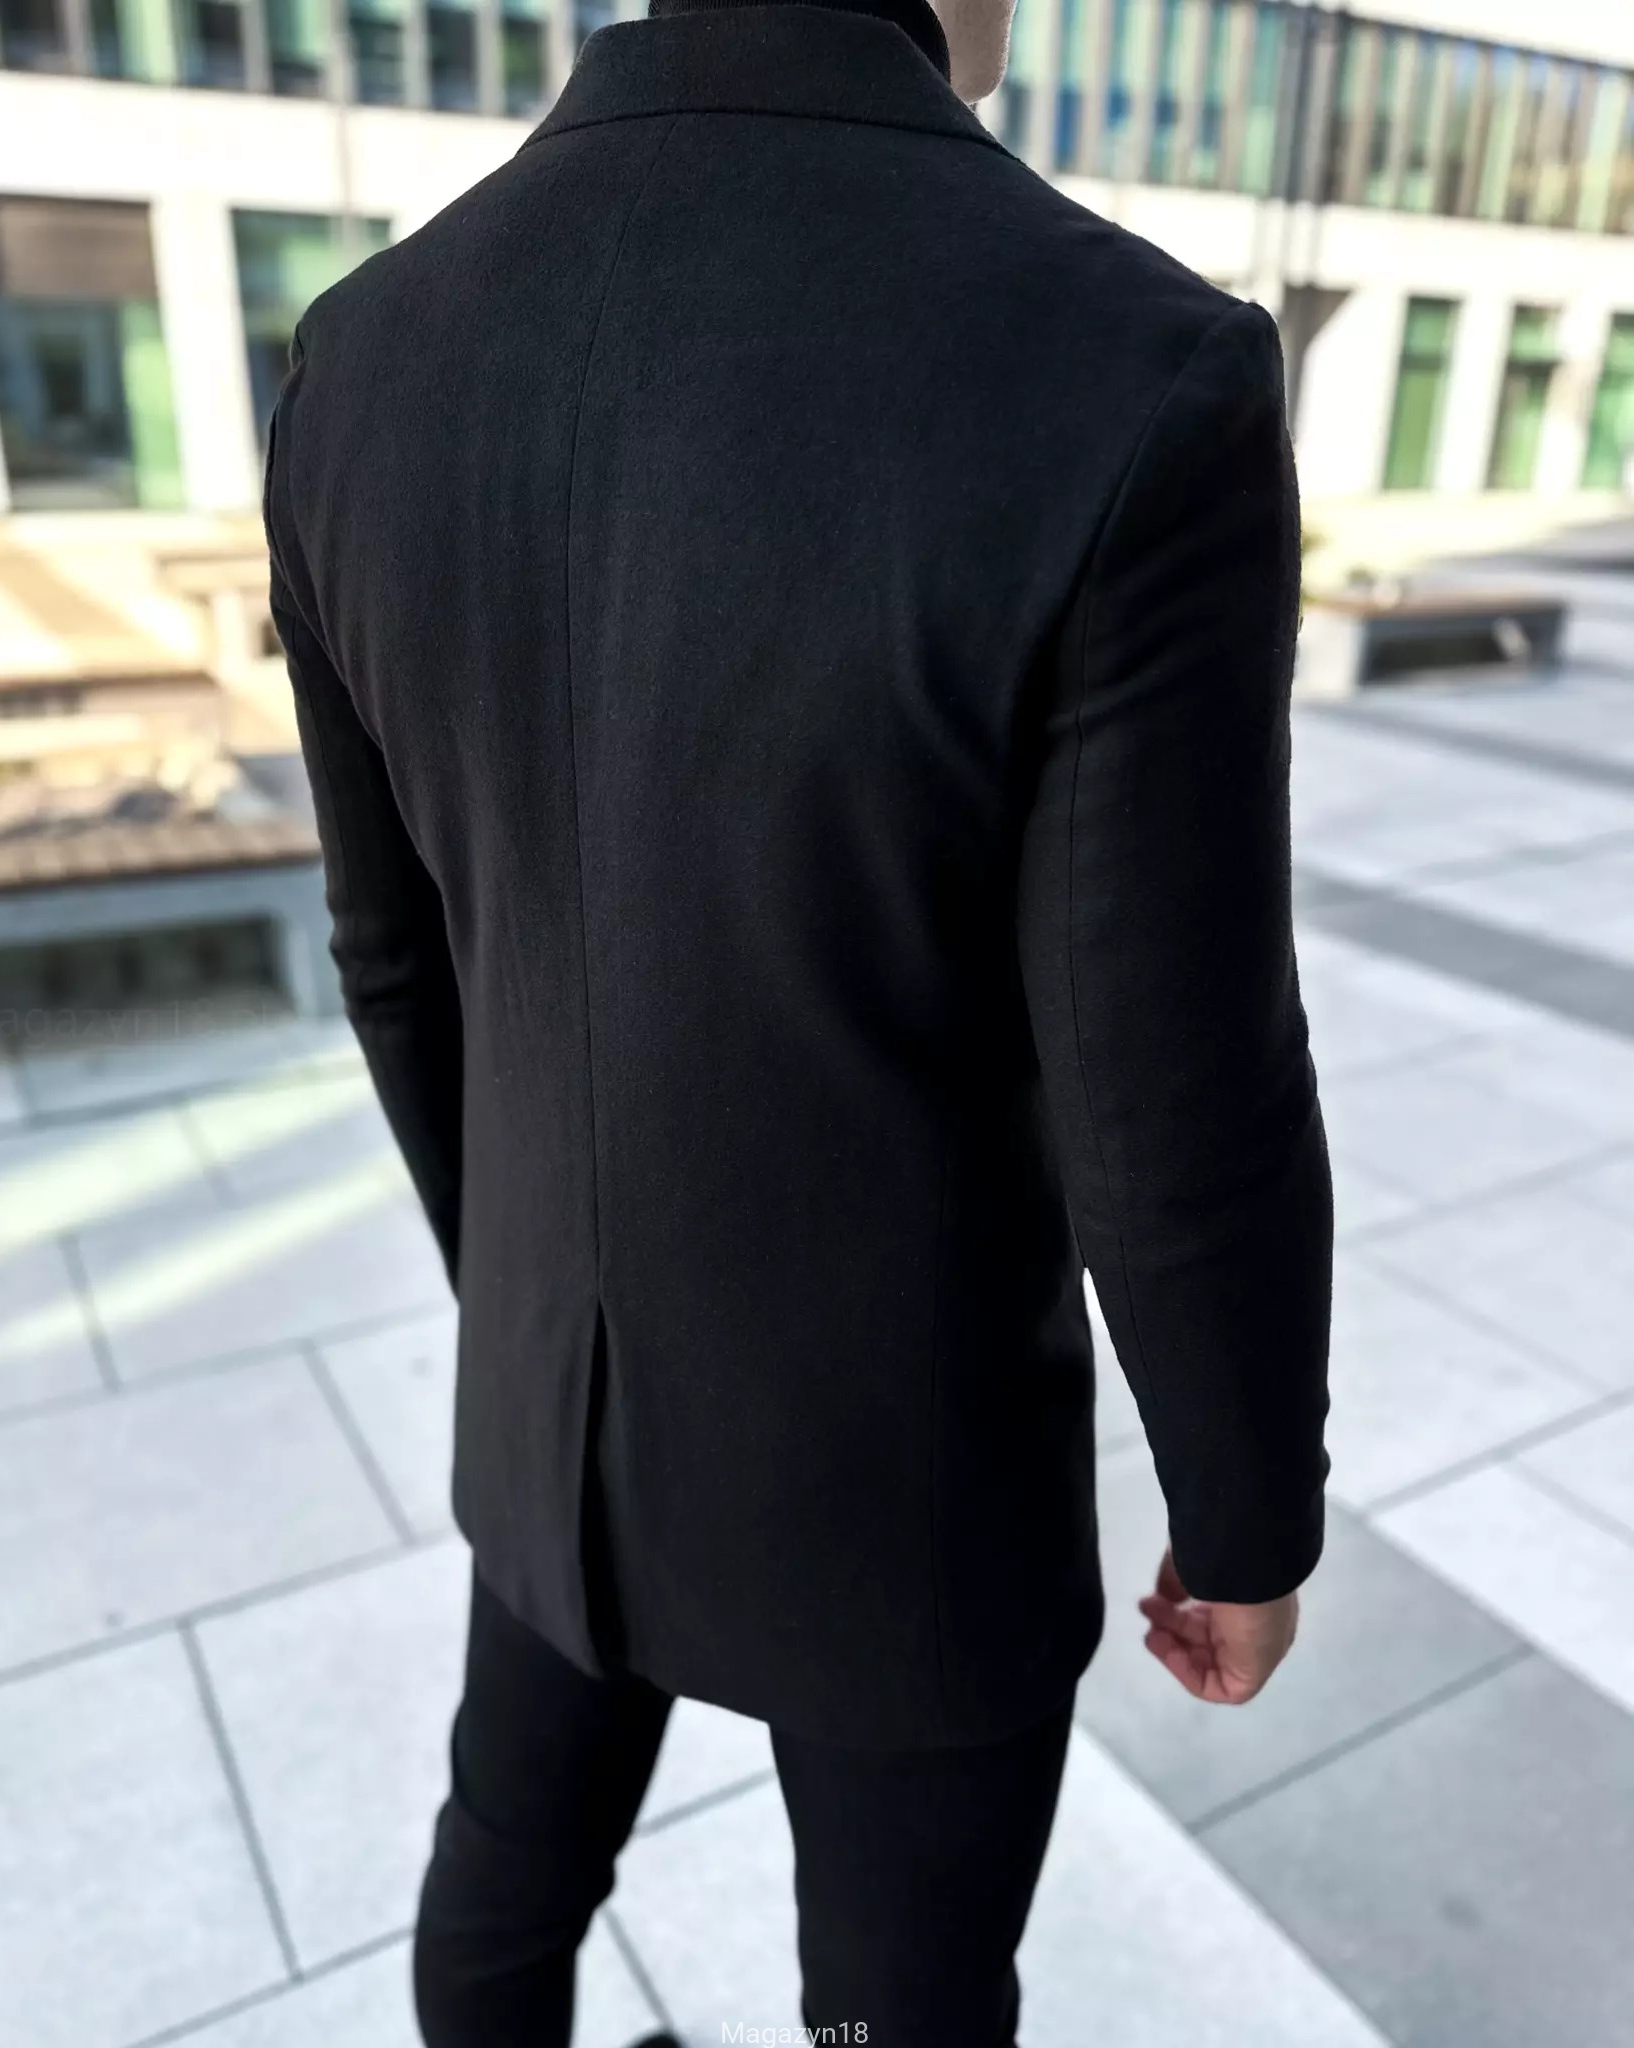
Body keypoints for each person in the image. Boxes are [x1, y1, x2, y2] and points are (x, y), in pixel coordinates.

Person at [262, 0, 1334, 2038]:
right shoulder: (1131, 365)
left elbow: (391, 957)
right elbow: (1169, 1074)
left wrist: (532, 1305)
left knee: (504, 1891)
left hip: (553, 1418)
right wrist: (1245, 1511)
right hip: (906, 1466)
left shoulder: (363, 352)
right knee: (895, 2006)